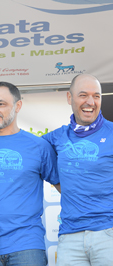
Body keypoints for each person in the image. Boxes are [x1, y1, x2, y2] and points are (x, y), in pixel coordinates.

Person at [0, 82, 59, 266]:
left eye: (0, 104)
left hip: (28, 247)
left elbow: (64, 189)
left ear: (18, 106)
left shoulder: (39, 146)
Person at [41, 74, 113, 265]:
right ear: (69, 98)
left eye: (96, 96)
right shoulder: (57, 137)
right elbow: (24, 146)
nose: (91, 102)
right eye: (83, 95)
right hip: (69, 237)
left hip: (108, 234)